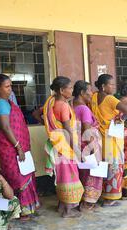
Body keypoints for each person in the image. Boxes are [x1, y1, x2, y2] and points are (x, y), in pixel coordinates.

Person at [0, 74, 40, 220]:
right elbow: (5, 127)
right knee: (17, 178)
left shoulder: (7, 102)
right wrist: (18, 147)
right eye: (7, 86)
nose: (10, 89)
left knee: (22, 174)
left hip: (14, 146)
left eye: (11, 86)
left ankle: (23, 208)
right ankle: (18, 210)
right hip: (11, 147)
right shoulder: (1, 104)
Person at [43, 76, 84, 217]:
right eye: (70, 88)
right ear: (61, 90)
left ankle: (61, 206)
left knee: (62, 177)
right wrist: (77, 150)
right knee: (69, 178)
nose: (72, 90)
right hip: (65, 147)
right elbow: (68, 131)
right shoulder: (64, 106)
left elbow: (39, 115)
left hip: (57, 145)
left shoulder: (51, 102)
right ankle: (67, 211)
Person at [91, 74, 127, 207]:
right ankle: (110, 197)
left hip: (99, 136)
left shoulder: (94, 97)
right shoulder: (110, 99)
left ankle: (98, 194)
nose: (114, 87)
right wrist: (121, 119)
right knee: (114, 166)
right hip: (112, 136)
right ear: (103, 86)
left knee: (102, 164)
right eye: (111, 84)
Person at [73, 80, 102, 212]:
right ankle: (87, 203)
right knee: (92, 173)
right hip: (87, 145)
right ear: (82, 93)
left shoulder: (70, 106)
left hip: (77, 146)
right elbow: (86, 130)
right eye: (89, 91)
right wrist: (92, 148)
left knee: (82, 173)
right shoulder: (84, 108)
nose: (91, 93)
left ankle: (79, 200)